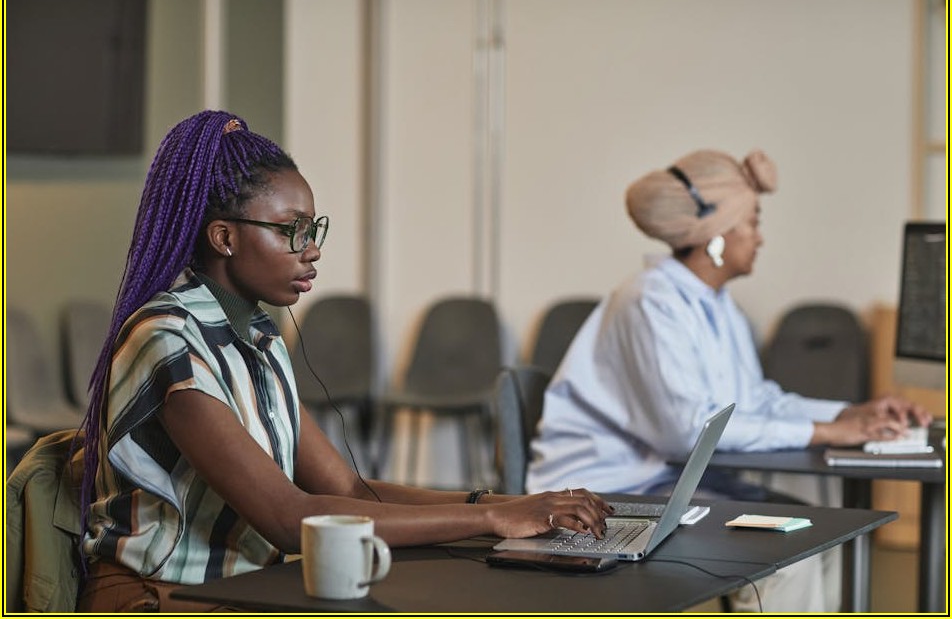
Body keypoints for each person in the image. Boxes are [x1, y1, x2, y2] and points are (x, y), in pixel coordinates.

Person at [76, 111, 611, 612]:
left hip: (240, 588)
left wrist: (509, 503)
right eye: (292, 230)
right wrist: (494, 518)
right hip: (158, 596)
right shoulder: (168, 339)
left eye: (314, 229)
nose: (312, 250)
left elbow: (347, 491)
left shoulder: (257, 333)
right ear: (225, 238)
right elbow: (290, 520)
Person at [525, 148, 931, 612]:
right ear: (716, 236)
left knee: (824, 531)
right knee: (788, 552)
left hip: (667, 486)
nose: (760, 238)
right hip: (609, 496)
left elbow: (755, 400)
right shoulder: (649, 303)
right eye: (753, 223)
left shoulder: (716, 305)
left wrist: (847, 415)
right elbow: (686, 433)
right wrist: (826, 433)